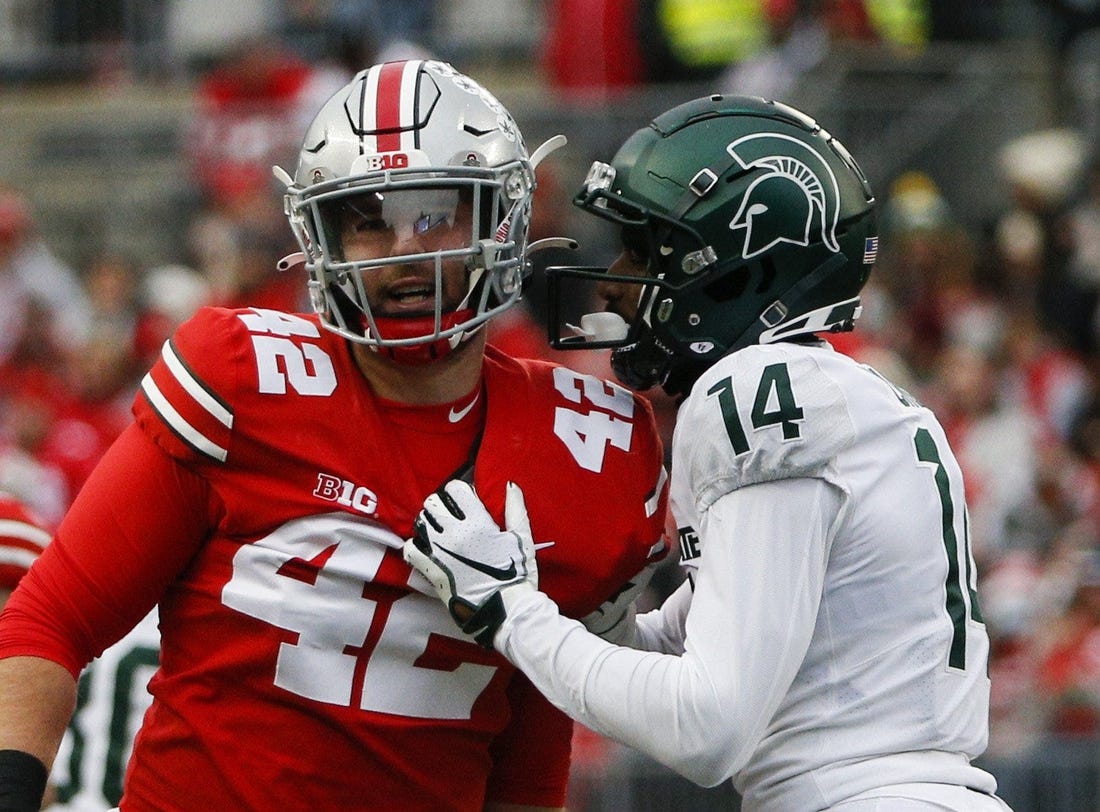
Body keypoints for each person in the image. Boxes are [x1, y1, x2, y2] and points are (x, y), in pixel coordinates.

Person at [0, 59, 669, 811]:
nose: (403, 249)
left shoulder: (583, 443)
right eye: (368, 219)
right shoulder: (244, 380)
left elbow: (530, 753)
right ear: (322, 240)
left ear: (501, 220)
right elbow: (50, 619)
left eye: (434, 211)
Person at [404, 94, 1015, 811]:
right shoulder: (839, 392)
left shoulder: (758, 387)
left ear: (734, 265)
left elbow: (707, 726)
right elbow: (700, 649)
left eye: (645, 248)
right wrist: (590, 614)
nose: (613, 280)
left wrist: (511, 610)